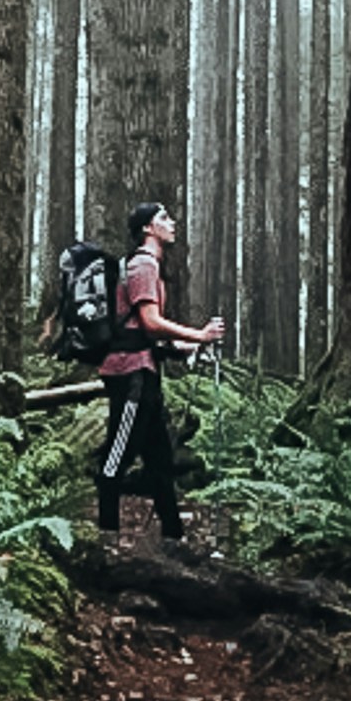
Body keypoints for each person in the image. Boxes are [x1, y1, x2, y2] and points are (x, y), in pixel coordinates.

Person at [92, 200, 221, 549]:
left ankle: (173, 539)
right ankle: (106, 540)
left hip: (144, 372)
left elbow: (144, 330)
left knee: (160, 461)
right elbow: (150, 322)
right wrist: (199, 335)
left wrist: (185, 346)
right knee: (116, 457)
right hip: (129, 373)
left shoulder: (148, 266)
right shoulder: (143, 265)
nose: (172, 222)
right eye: (164, 218)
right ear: (148, 228)